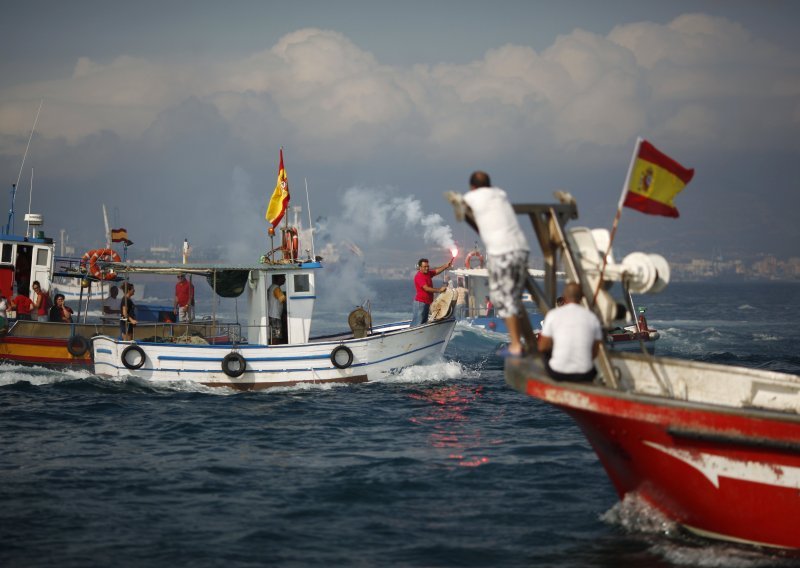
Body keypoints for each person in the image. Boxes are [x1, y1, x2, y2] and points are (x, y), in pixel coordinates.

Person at [458, 171, 537, 356]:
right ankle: (529, 341)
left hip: (502, 251)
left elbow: (465, 211)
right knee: (514, 298)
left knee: (504, 298)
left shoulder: (473, 196)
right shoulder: (500, 194)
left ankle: (516, 345)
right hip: (521, 248)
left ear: (472, 186)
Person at [537, 282, 603, 382]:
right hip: (585, 374)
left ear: (564, 297)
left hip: (557, 373)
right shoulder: (593, 318)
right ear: (581, 297)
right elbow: (594, 352)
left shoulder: (552, 315)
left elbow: (542, 347)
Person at [411, 257, 453, 326]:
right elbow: (426, 288)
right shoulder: (419, 276)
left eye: (427, 266)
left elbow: (436, 271)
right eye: (424, 267)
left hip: (427, 303)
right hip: (420, 303)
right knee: (417, 324)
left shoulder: (427, 274)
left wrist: (446, 266)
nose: (427, 268)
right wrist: (439, 290)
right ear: (420, 267)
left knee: (423, 323)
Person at [267, 274, 286, 344]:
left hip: (272, 315)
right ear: (279, 278)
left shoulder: (271, 287)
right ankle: (274, 349)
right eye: (283, 277)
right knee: (276, 335)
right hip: (275, 316)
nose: (285, 279)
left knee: (273, 334)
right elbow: (283, 299)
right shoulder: (276, 288)